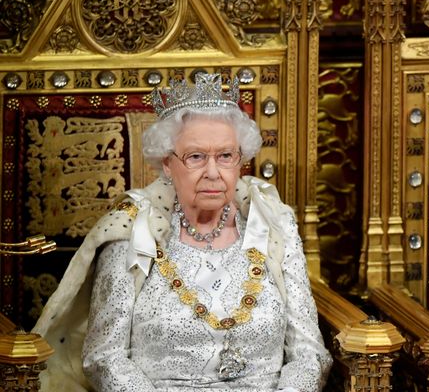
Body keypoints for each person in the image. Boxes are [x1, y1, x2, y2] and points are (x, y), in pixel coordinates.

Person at [32, 73, 332, 391]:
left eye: (226, 156)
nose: (213, 172)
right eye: (196, 157)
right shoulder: (133, 230)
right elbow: (104, 357)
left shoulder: (274, 226)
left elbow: (309, 353)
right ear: (166, 163)